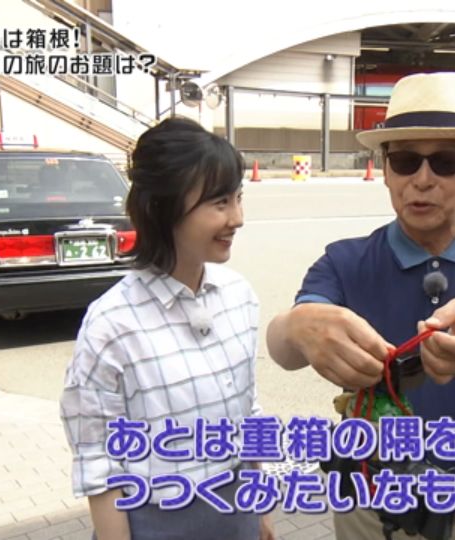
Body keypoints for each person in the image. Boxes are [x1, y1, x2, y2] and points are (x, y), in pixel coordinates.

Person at [266, 72, 455, 539]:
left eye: (444, 162)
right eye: (404, 161)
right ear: (385, 169)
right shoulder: (344, 262)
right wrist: (298, 326)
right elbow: (283, 349)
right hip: (369, 513)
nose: (422, 180)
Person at [60, 117, 274, 540]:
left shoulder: (239, 296)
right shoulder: (112, 325)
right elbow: (99, 463)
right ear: (163, 207)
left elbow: (249, 413)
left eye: (238, 198)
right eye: (219, 203)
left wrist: (261, 510)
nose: (237, 218)